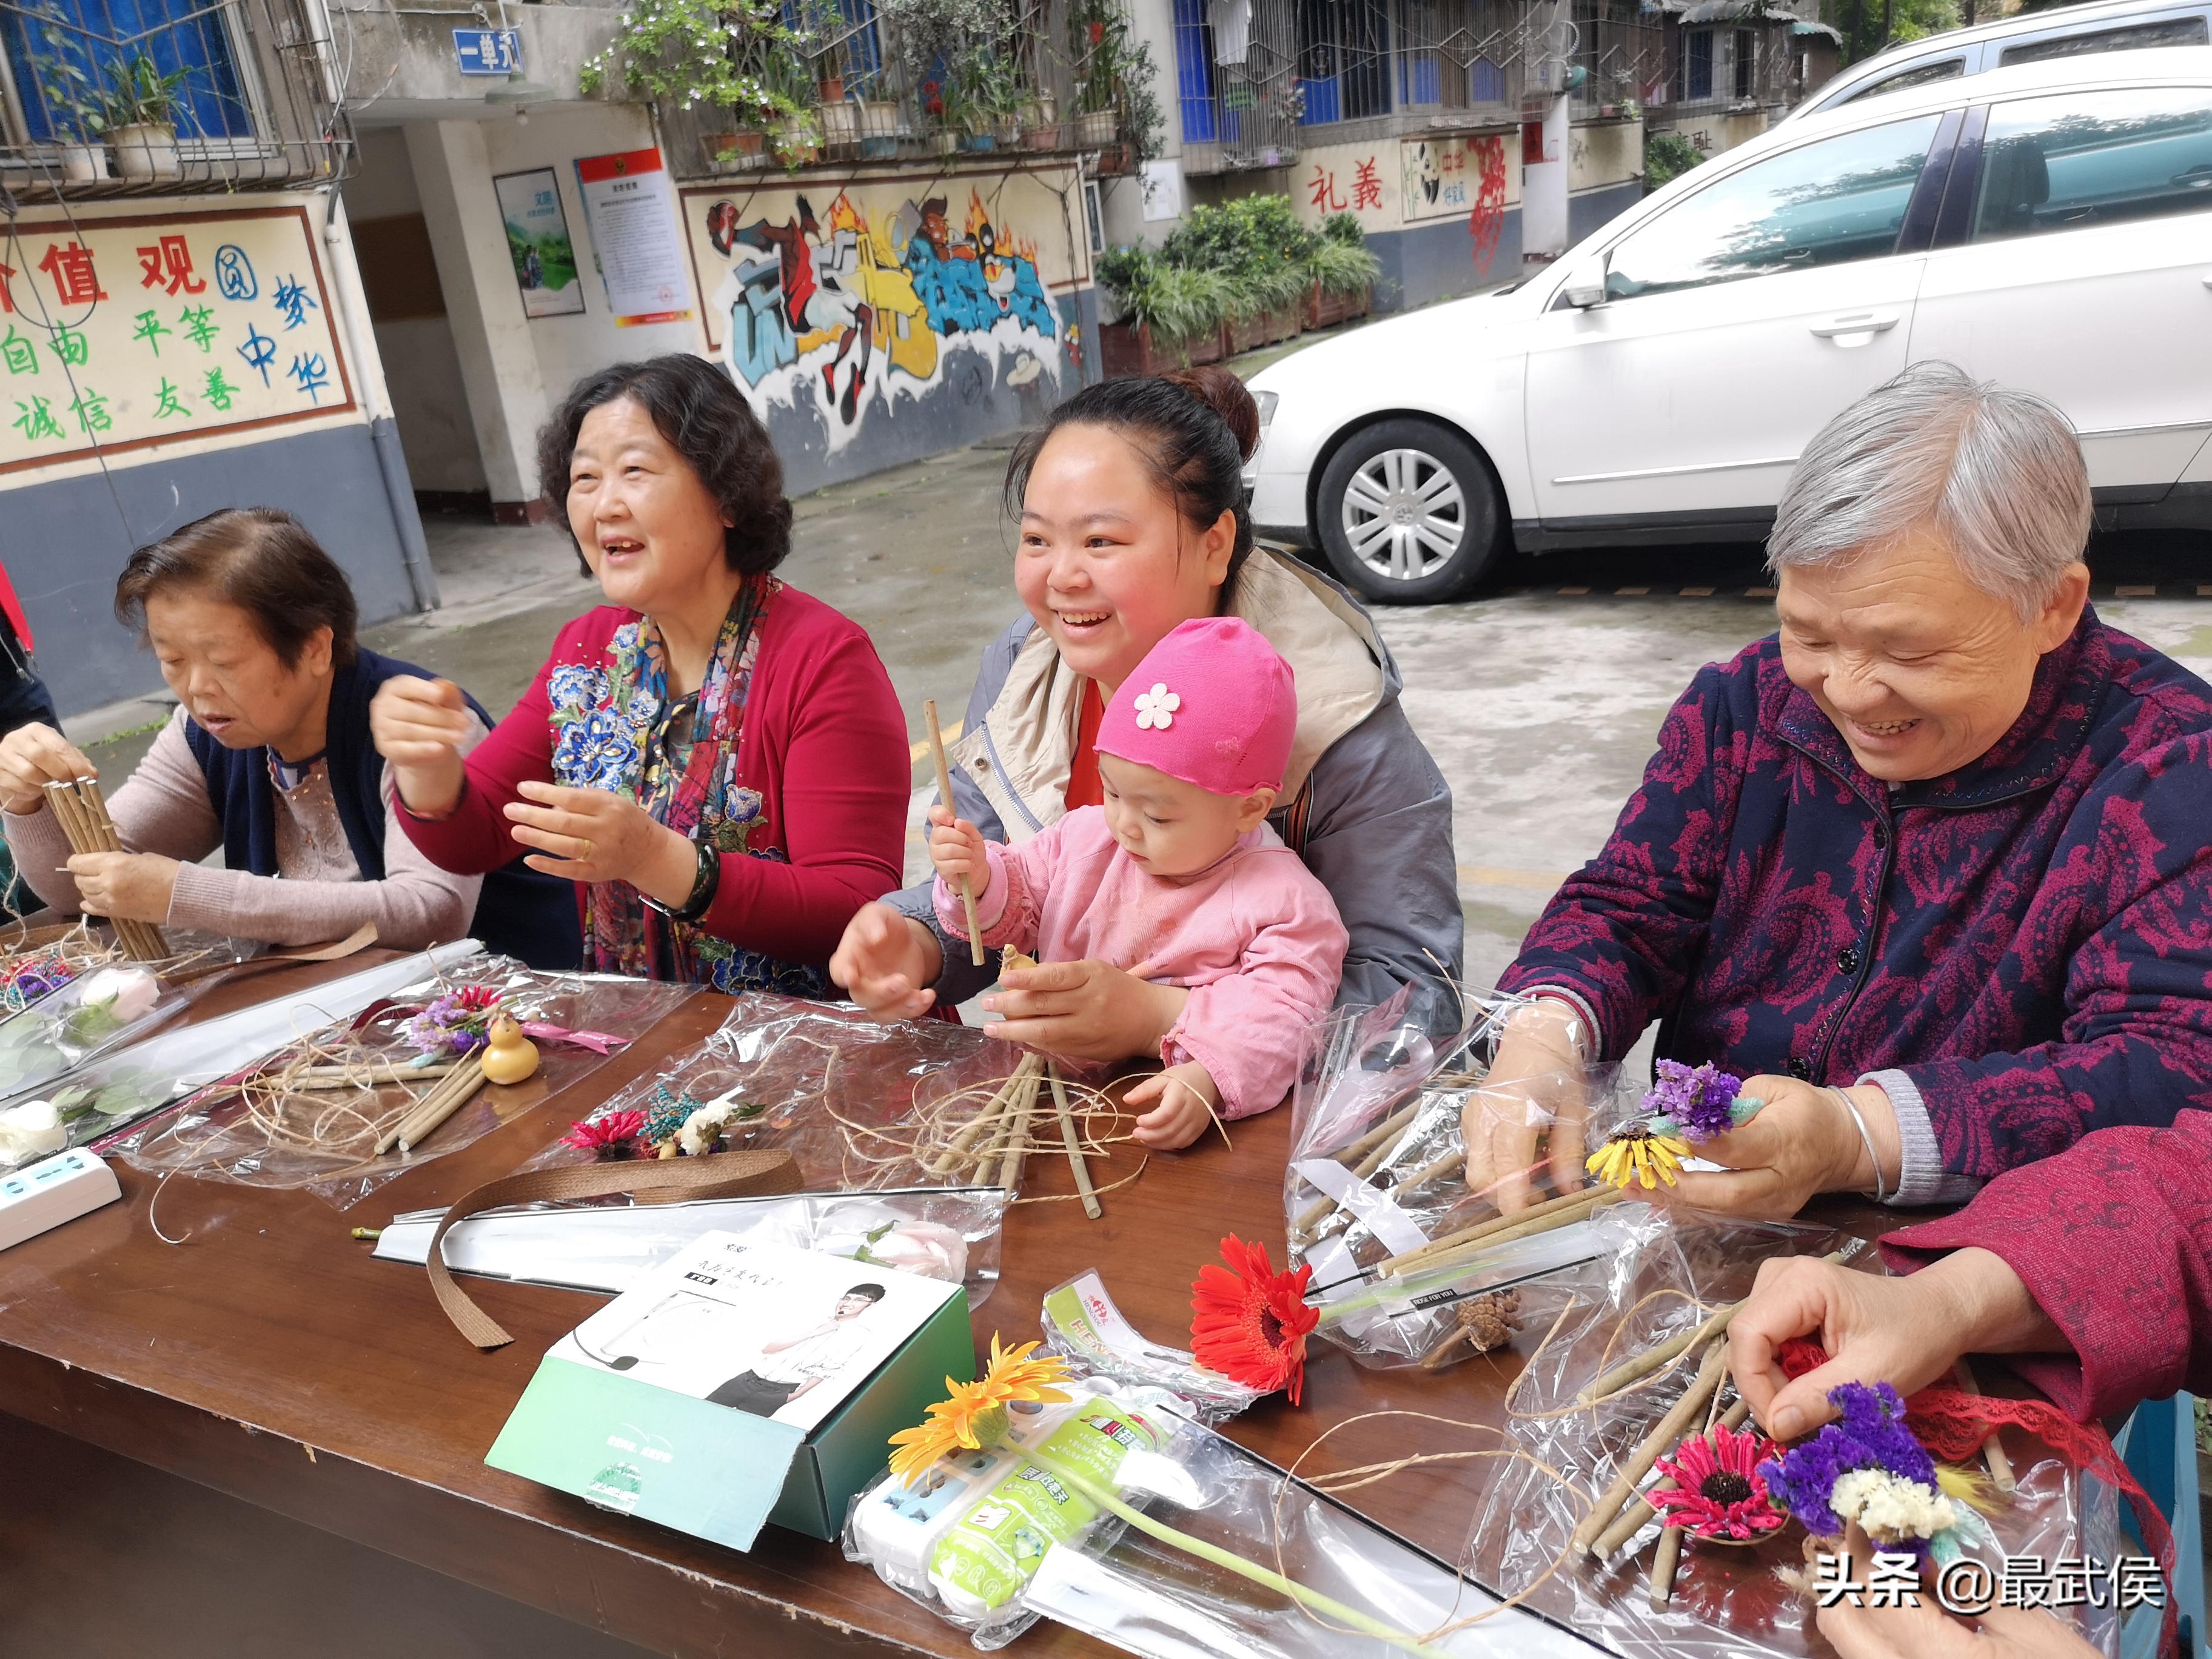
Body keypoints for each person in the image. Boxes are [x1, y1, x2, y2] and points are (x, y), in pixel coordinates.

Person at [1463, 363, 2212, 1217]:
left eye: (1910, 653)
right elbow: (1630, 906)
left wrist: (1858, 1135)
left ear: (2053, 606)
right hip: (1691, 1221)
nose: (1850, 693)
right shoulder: (1745, 706)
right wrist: (1546, 1028)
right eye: (1808, 632)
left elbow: (2170, 1067)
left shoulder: (2174, 772)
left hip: (1968, 1276)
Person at [829, 367, 1463, 1064]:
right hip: (1072, 1103)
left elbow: (1415, 1000)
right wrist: (913, 939)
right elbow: (1004, 885)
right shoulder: (1027, 668)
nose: (1062, 577)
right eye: (1038, 540)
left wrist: (1166, 1016)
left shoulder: (1334, 719)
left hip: (1244, 1141)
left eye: (1101, 542)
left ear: (1215, 545)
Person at [372, 354, 908, 991]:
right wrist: (429, 771)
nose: (604, 506)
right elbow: (480, 835)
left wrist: (656, 858)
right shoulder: (588, 652)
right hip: (644, 1038)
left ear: (727, 496)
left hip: (806, 1055)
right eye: (585, 478)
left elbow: (856, 906)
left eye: (634, 471)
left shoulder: (822, 660)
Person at [0, 509, 574, 962]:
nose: (197, 690)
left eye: (224, 660)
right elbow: (87, 883)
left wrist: (188, 894)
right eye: (172, 660)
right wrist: (28, 805)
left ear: (315, 647)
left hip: (504, 1010)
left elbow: (429, 913)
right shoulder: (204, 734)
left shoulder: (412, 723)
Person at [924, 617, 1347, 1148]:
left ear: (1250, 808)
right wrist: (981, 877)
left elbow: (1285, 1015)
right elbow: (1022, 895)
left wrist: (1209, 1079)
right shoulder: (1085, 838)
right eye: (1113, 792)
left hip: (1153, 1112)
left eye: (1158, 816)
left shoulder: (1285, 901)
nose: (1124, 825)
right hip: (1046, 1095)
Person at [707, 1282, 886, 1416]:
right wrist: (815, 1332)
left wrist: (797, 1395)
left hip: (779, 1391)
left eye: (859, 1300)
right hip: (747, 1380)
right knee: (703, 1412)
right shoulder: (812, 1318)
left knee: (739, 1431)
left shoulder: (859, 1335)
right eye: (847, 1298)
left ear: (870, 1305)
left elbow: (828, 1369)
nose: (848, 1303)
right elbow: (768, 1349)